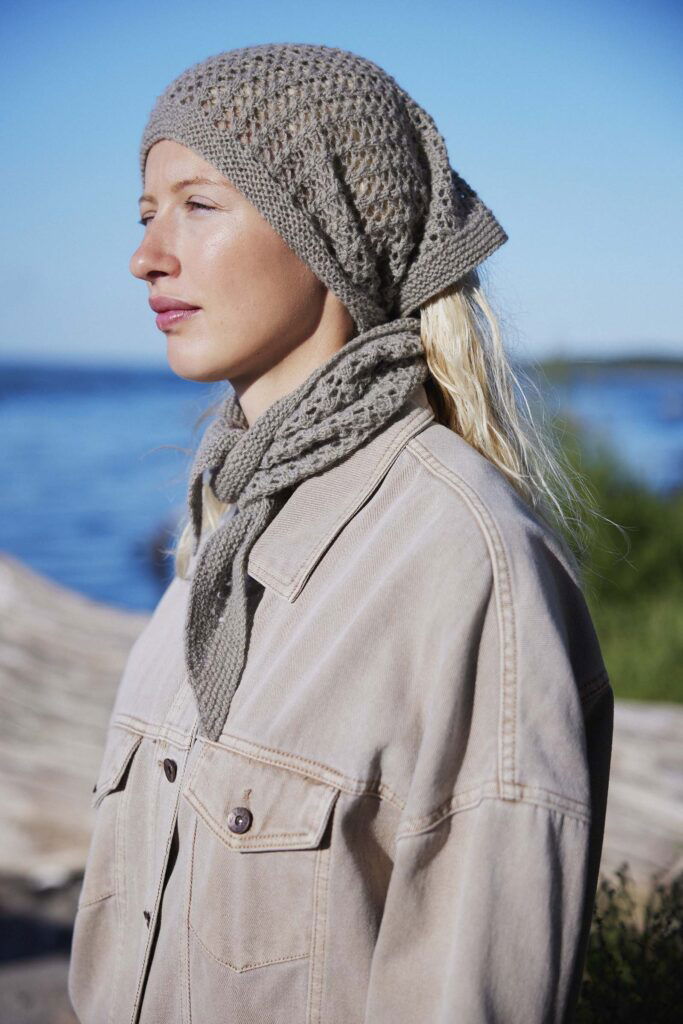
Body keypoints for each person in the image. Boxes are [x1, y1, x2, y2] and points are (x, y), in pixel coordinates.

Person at [67, 42, 614, 1024]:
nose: (147, 256)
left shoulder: (466, 561)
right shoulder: (216, 527)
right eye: (147, 214)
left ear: (331, 230)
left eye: (199, 205)